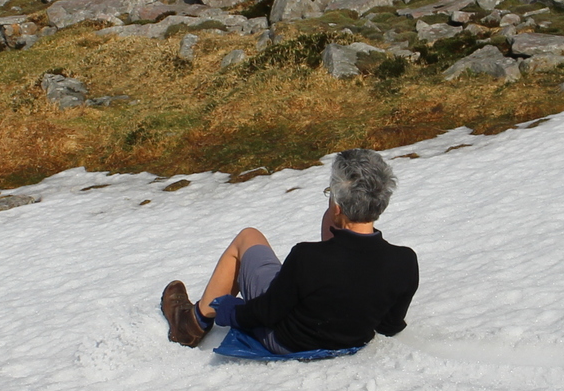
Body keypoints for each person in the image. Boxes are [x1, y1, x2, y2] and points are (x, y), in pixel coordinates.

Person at [160, 148, 418, 356]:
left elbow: (267, 313)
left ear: (338, 207)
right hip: (351, 339)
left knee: (248, 237)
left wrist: (231, 311)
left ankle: (191, 323)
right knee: (335, 264)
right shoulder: (404, 262)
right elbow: (389, 325)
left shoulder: (307, 258)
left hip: (289, 341)